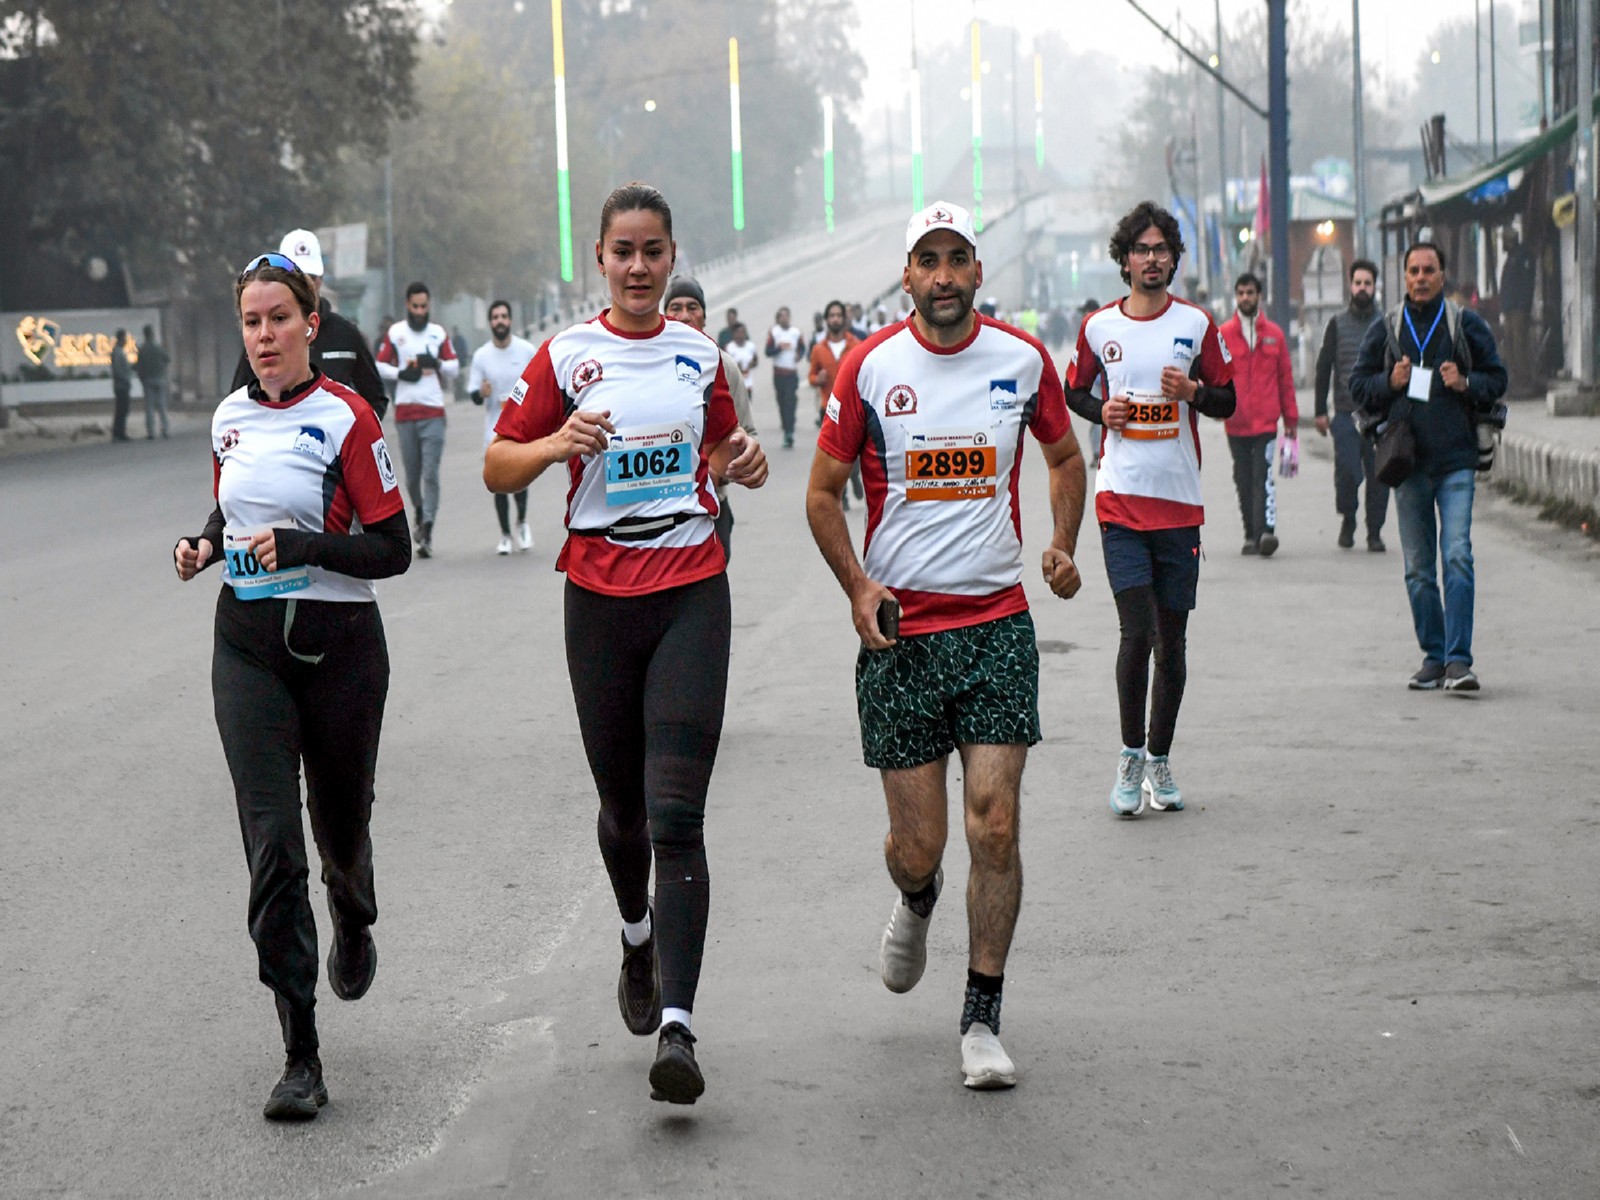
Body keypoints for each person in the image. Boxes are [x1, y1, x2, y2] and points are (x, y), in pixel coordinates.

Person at [485, 183, 767, 1105]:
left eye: (654, 252)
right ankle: (636, 937)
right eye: (624, 252)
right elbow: (498, 462)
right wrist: (559, 442)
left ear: (672, 255)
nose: (640, 268)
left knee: (678, 815)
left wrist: (745, 461)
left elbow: (722, 448)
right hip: (600, 603)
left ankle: (679, 1028)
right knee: (624, 815)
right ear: (599, 260)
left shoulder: (698, 354)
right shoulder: (567, 354)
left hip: (692, 590)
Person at [806, 200, 1087, 1091]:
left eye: (957, 259)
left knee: (995, 824)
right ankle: (917, 898)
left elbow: (1066, 458)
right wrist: (858, 587)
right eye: (927, 260)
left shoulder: (1021, 359)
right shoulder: (868, 368)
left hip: (997, 624)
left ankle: (981, 1018)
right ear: (907, 277)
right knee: (920, 844)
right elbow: (821, 493)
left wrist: (1062, 543)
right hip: (901, 639)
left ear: (977, 272)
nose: (943, 276)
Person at [172, 251, 410, 1120]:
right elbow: (233, 511)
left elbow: (392, 549)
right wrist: (203, 546)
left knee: (337, 836)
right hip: (247, 651)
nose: (264, 335)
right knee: (273, 847)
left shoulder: (347, 419)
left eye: (279, 318)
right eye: (251, 321)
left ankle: (352, 905)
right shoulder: (229, 416)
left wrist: (305, 547)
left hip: (341, 651)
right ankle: (300, 1053)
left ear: (311, 323)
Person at [1065, 201, 1236, 817]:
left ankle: (1160, 760)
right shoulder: (1098, 328)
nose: (1152, 258)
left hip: (1180, 506)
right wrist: (1100, 412)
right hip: (1120, 500)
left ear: (1173, 258)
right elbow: (1073, 391)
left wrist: (1191, 391)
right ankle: (1130, 754)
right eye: (1141, 249)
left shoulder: (1196, 324)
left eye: (1162, 248)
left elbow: (1227, 400)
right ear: (1125, 259)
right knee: (1134, 634)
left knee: (1174, 644)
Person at [1349, 241, 1507, 693]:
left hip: (1456, 461)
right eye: (1413, 270)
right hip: (1407, 464)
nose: (1421, 277)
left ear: (1443, 275)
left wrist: (1466, 382)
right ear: (1403, 277)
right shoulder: (1388, 327)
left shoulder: (1464, 324)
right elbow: (1358, 386)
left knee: (1456, 555)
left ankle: (1459, 661)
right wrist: (1390, 381)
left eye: (1429, 270)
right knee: (1419, 568)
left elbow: (1498, 378)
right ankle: (1433, 657)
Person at [230, 230, 390, 420]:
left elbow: (375, 398)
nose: (305, 286)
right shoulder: (262, 337)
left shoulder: (346, 334)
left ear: (321, 280)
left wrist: (350, 436)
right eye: (297, 278)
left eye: (311, 278)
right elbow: (238, 404)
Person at [664, 276, 760, 561]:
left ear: (704, 316)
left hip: (712, 510)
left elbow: (747, 434)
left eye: (693, 307)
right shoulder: (646, 365)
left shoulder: (724, 367)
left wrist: (720, 470)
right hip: (658, 513)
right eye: (675, 307)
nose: (684, 315)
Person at [377, 282, 459, 558]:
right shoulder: (396, 333)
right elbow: (379, 364)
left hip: (433, 412)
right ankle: (420, 510)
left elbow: (454, 367)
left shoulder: (437, 334)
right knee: (411, 477)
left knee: (430, 473)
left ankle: (428, 527)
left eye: (424, 306)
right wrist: (401, 373)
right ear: (407, 305)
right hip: (405, 413)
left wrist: (435, 363)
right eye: (416, 306)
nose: (420, 311)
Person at [1220, 272, 1297, 557]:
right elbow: (1215, 376)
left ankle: (1267, 531)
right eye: (1240, 293)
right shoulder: (1225, 335)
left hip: (1266, 422)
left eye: (1250, 292)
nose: (1245, 298)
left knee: (1262, 475)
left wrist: (1290, 420)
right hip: (1236, 422)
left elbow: (1285, 379)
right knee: (1242, 477)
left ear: (1259, 295)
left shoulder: (1274, 336)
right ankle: (1250, 534)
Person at [1314, 258, 1388, 550]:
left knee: (1379, 476)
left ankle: (1374, 532)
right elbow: (1323, 367)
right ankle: (1348, 517)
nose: (1362, 288)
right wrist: (1320, 410)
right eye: (1358, 283)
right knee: (1347, 471)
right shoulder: (1337, 324)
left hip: (1379, 414)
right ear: (1350, 285)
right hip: (1345, 412)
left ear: (1374, 287)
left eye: (1367, 284)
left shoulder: (1386, 325)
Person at [467, 300, 537, 555]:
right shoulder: (481, 356)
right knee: (498, 482)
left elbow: (539, 385)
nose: (500, 321)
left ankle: (522, 523)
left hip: (520, 428)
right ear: (490, 323)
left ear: (510, 320)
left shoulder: (526, 350)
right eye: (495, 317)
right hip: (493, 429)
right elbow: (473, 393)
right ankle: (505, 534)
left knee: (519, 479)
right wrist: (481, 393)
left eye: (504, 316)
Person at [806, 299, 863, 506]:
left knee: (854, 455)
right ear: (827, 320)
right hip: (827, 409)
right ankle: (843, 496)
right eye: (832, 316)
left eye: (839, 315)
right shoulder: (818, 349)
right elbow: (811, 376)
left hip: (852, 410)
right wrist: (817, 380)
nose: (835, 319)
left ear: (844, 319)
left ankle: (855, 477)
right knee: (834, 456)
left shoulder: (856, 345)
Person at [1498, 228, 1536, 395]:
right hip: (1509, 308)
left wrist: (1522, 307)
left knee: (1520, 344)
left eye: (1505, 240)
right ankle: (1515, 379)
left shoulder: (1522, 257)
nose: (1503, 244)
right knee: (1510, 344)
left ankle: (1525, 380)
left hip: (1518, 309)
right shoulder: (1511, 258)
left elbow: (1526, 285)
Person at [764, 306, 806, 446]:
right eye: (781, 316)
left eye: (786, 316)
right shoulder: (774, 332)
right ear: (778, 319)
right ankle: (786, 424)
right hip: (779, 374)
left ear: (789, 317)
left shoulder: (796, 332)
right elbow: (768, 351)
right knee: (782, 402)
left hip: (791, 373)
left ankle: (789, 432)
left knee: (790, 401)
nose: (784, 318)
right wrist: (779, 348)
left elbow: (802, 348)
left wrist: (799, 356)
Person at [136, 324, 171, 440]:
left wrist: (141, 378)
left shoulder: (142, 350)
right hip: (160, 379)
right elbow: (168, 359)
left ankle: (151, 432)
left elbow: (139, 366)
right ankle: (165, 429)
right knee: (161, 405)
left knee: (149, 407)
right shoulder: (158, 348)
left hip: (147, 380)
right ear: (152, 334)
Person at [110, 329, 133, 442]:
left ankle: (119, 432)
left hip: (121, 384)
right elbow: (118, 370)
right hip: (121, 385)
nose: (126, 341)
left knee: (122, 409)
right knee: (122, 409)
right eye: (125, 338)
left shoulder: (118, 351)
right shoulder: (118, 352)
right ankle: (119, 432)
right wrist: (126, 380)